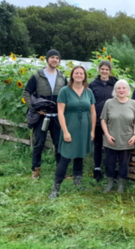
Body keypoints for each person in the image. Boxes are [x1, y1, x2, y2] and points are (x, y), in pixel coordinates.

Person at [49, 66, 96, 200]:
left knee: (79, 155)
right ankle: (55, 188)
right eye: (77, 73)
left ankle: (78, 183)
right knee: (65, 157)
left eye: (82, 73)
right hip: (70, 128)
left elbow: (92, 112)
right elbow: (60, 113)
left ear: (85, 76)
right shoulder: (65, 91)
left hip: (84, 129)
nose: (79, 75)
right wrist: (65, 131)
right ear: (72, 75)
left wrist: (92, 130)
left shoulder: (89, 92)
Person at [23, 49, 67, 179]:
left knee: (59, 144)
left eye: (57, 58)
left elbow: (66, 95)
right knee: (39, 143)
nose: (55, 60)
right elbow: (26, 93)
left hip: (57, 117)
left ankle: (61, 171)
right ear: (47, 59)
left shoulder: (62, 77)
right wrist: (35, 108)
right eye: (52, 57)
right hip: (42, 116)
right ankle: (35, 170)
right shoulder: (38, 76)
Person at [100, 79, 135, 193]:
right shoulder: (109, 103)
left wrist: (134, 135)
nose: (121, 90)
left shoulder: (133, 103)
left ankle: (121, 185)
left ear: (128, 90)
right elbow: (103, 120)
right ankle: (109, 183)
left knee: (124, 164)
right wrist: (107, 135)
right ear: (115, 90)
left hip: (127, 139)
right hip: (111, 139)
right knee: (109, 163)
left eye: (124, 88)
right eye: (119, 88)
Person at [89, 60, 117, 182]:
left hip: (112, 120)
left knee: (111, 145)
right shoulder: (93, 84)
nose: (104, 71)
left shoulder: (115, 83)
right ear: (99, 70)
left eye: (107, 69)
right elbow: (90, 102)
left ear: (110, 71)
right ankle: (97, 169)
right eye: (102, 69)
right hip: (97, 119)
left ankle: (111, 169)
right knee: (98, 145)